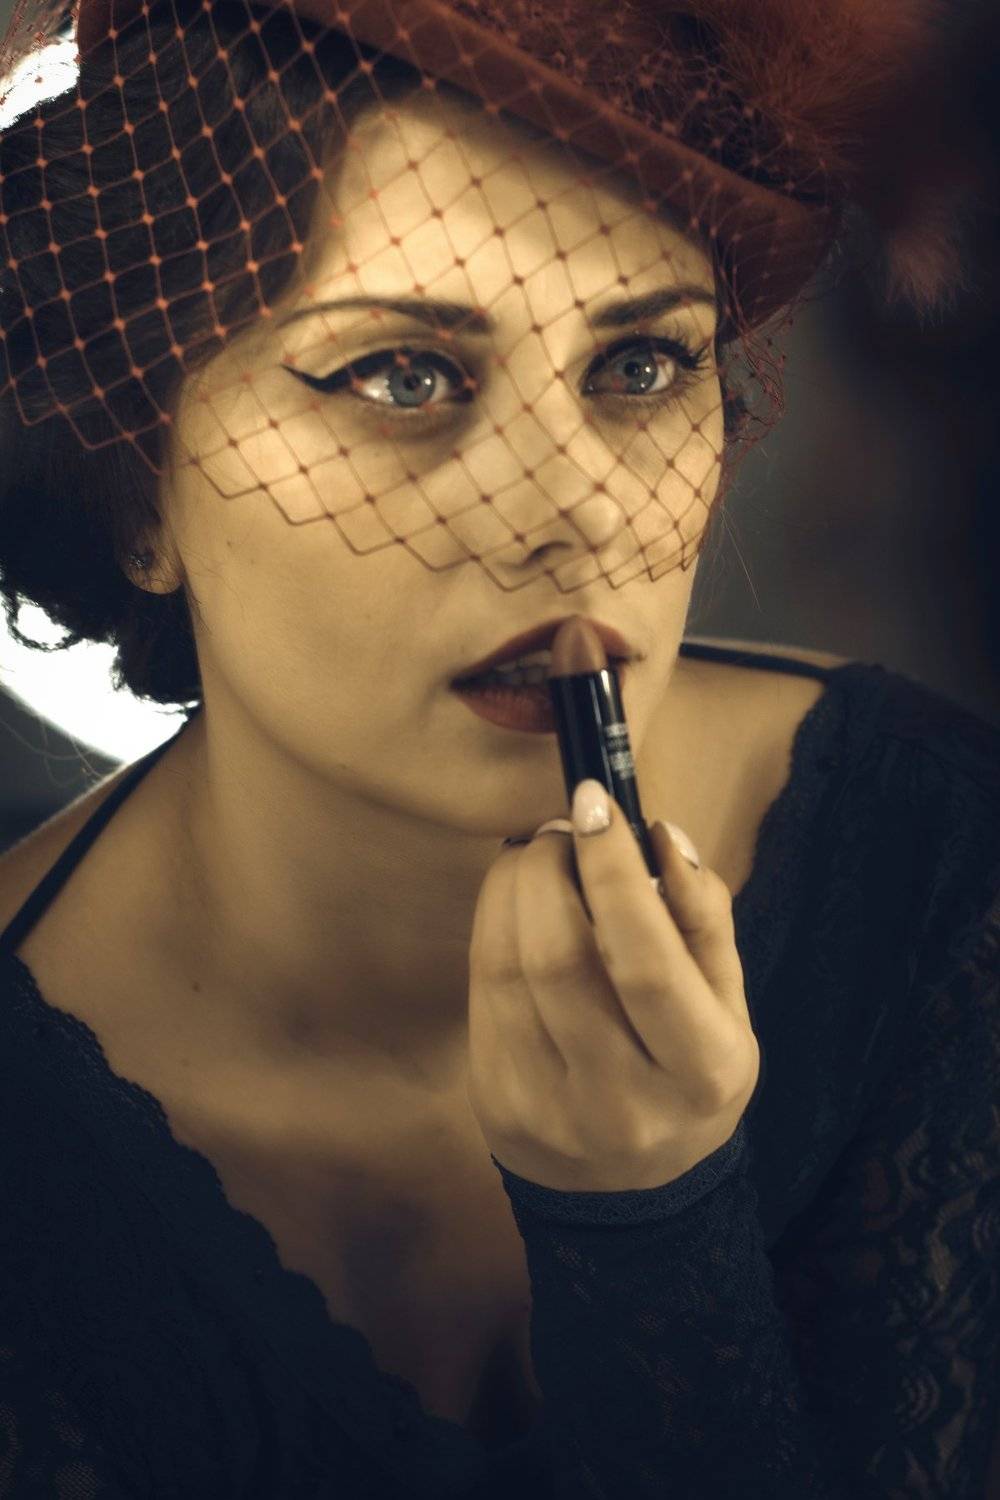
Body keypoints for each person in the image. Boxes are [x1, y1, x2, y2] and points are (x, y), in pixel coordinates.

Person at [0, 0, 996, 1494]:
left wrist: (651, 1219)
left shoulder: (946, 875)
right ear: (134, 481)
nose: (575, 511)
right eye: (401, 375)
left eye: (641, 364)